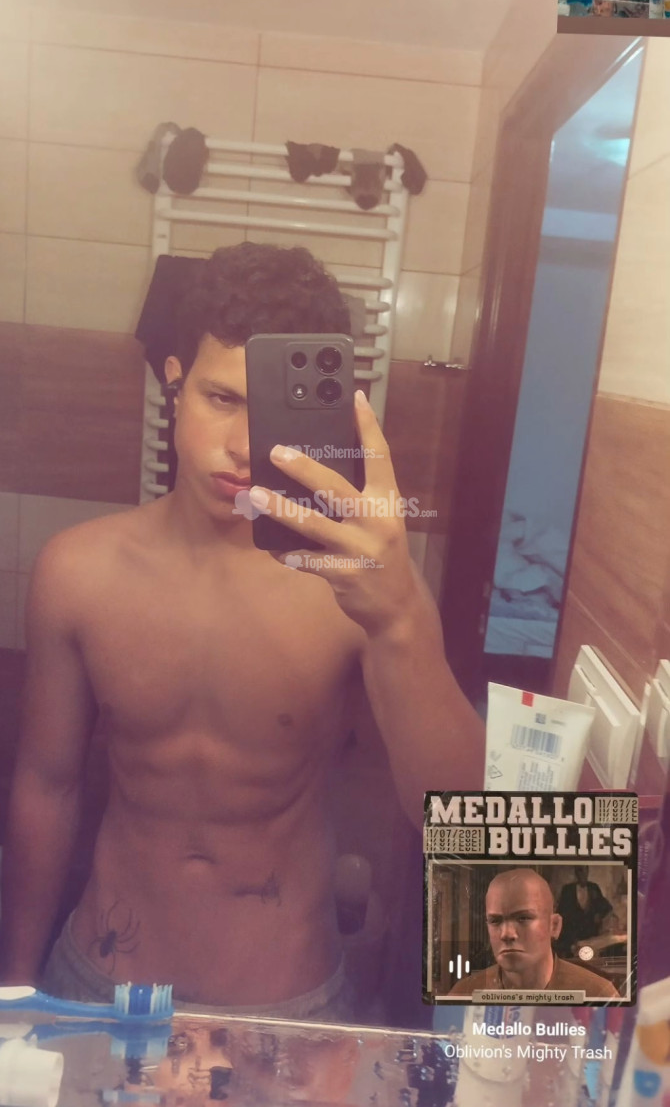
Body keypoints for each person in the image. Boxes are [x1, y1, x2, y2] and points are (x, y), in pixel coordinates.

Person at [0, 242, 484, 1022]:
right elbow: (45, 786)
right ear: (174, 383)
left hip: (285, 1007)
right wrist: (16, 988)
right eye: (221, 398)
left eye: (271, 413)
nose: (243, 447)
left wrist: (400, 620)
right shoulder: (78, 571)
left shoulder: (356, 585)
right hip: (97, 984)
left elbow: (457, 822)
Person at [448, 869, 619, 997]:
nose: (506, 934)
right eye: (495, 921)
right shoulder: (463, 993)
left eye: (523, 918)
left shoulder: (598, 993)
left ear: (554, 926)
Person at [556, 866, 613, 957]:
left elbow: (606, 907)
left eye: (585, 872)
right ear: (576, 873)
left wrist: (599, 915)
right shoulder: (567, 889)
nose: (583, 875)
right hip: (573, 934)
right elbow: (561, 911)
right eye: (581, 872)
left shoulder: (594, 887)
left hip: (591, 932)